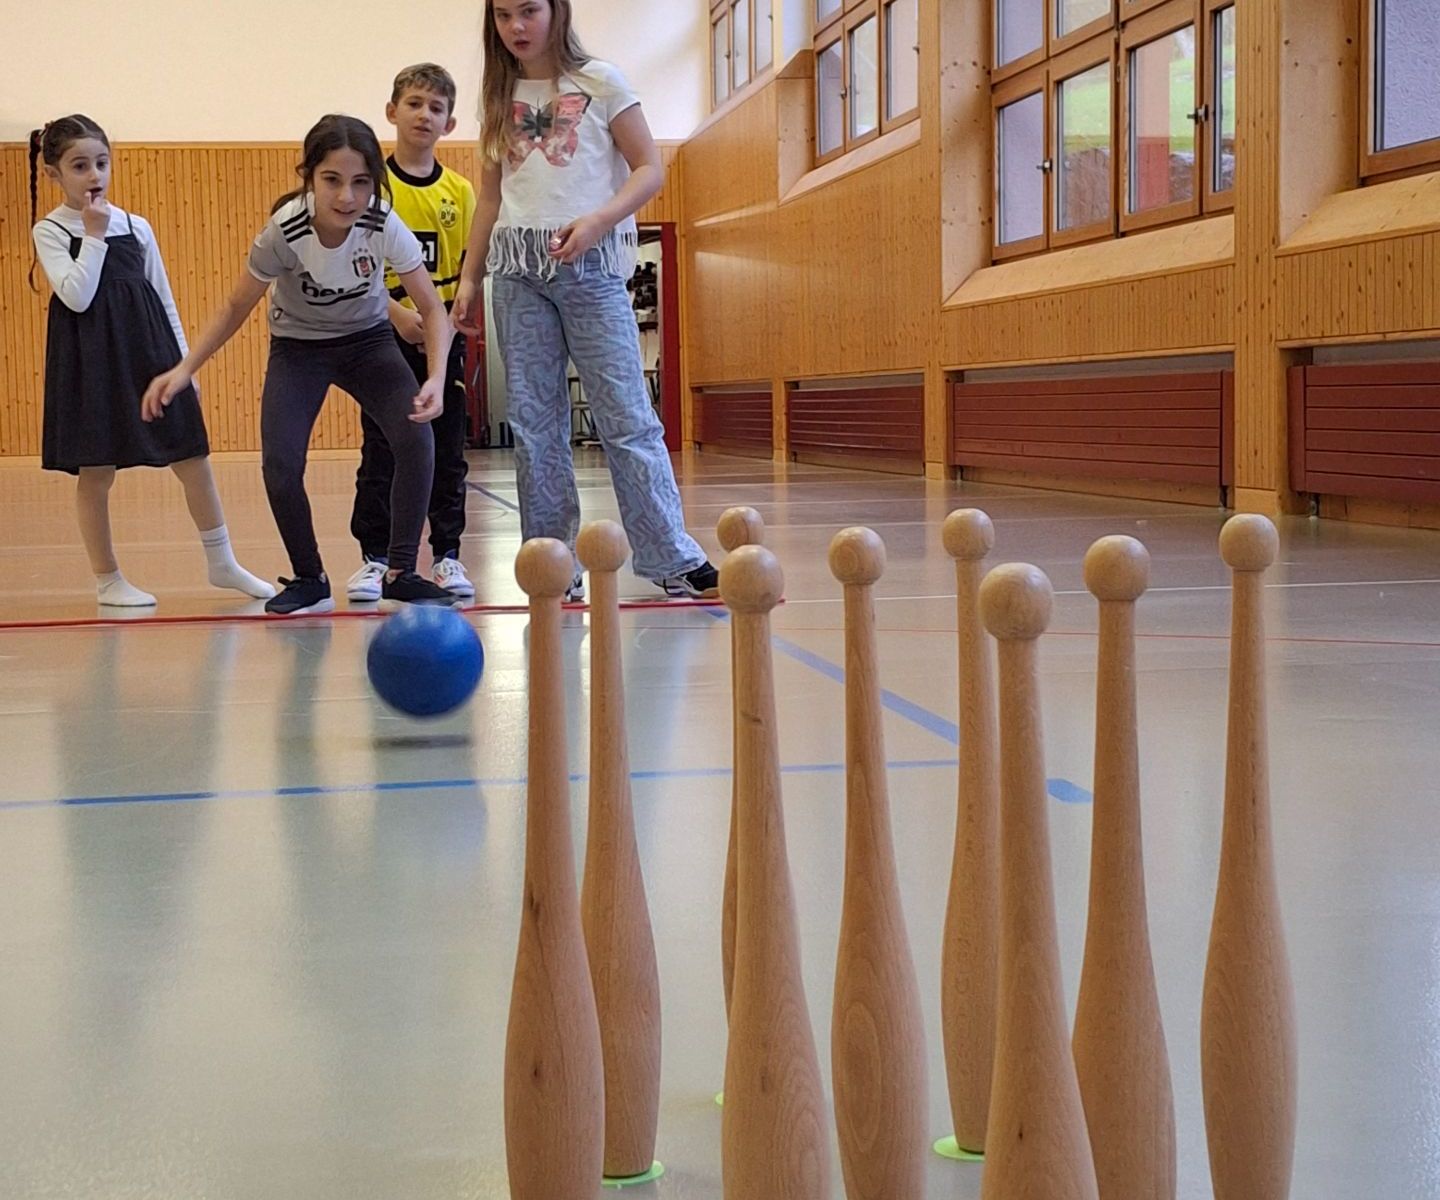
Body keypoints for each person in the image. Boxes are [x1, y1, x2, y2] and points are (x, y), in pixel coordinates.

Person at [142, 115, 461, 616]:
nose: (347, 197)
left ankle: (402, 572)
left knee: (417, 438)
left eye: (361, 182)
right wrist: (185, 368)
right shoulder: (285, 230)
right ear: (309, 177)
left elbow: (431, 308)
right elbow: (235, 306)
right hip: (299, 349)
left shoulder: (381, 223)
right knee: (281, 464)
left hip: (368, 343)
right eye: (332, 180)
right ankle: (310, 576)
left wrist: (436, 378)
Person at [453, 0, 718, 600]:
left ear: (557, 11)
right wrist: (470, 278)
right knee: (534, 424)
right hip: (517, 271)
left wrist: (599, 220)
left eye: (529, 11)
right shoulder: (497, 96)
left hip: (590, 266)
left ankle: (669, 553)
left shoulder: (601, 81)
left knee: (626, 414)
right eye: (503, 16)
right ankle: (552, 560)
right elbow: (491, 199)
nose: (516, 27)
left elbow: (649, 168)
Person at [28, 115, 272, 609]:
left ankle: (222, 561)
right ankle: (107, 579)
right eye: (79, 166)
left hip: (148, 351)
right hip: (91, 363)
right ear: (54, 174)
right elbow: (77, 296)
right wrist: (93, 235)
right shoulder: (49, 230)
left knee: (192, 455)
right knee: (96, 471)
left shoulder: (137, 226)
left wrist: (185, 366)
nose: (94, 175)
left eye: (101, 163)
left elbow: (163, 297)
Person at [348, 63, 478, 604]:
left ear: (450, 123)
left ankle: (446, 554)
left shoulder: (460, 192)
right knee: (383, 445)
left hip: (443, 335)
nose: (425, 115)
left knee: (446, 448)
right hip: (382, 332)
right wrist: (398, 315)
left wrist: (454, 315)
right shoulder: (371, 190)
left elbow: (469, 265)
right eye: (415, 103)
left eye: (436, 107)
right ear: (392, 112)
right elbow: (354, 265)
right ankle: (375, 558)